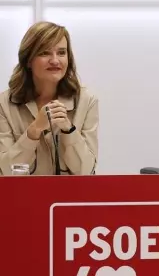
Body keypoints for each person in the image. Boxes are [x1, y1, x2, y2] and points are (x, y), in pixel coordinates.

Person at [0, 22, 98, 175]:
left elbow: (86, 171)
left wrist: (69, 130)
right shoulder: (4, 105)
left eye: (61, 52)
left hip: (69, 197)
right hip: (23, 197)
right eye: (45, 53)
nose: (55, 60)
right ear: (28, 60)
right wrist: (33, 131)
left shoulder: (86, 101)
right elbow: (5, 172)